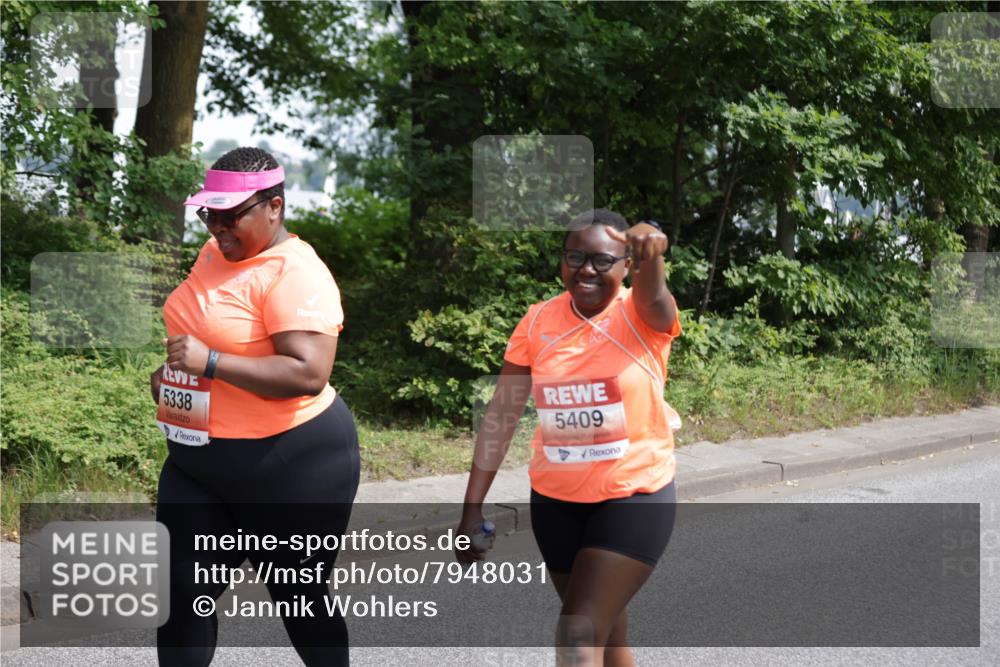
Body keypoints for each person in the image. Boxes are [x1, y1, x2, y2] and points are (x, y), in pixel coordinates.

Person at [151, 147, 359, 667]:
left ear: (274, 206)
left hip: (293, 465)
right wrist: (174, 377)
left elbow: (308, 373)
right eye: (210, 214)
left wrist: (210, 362)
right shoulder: (215, 252)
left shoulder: (296, 273)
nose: (218, 227)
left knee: (300, 601)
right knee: (179, 598)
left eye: (231, 215)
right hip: (197, 462)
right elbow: (204, 330)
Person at [456, 209, 681, 667]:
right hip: (556, 502)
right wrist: (472, 508)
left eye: (602, 260)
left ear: (625, 266)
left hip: (633, 496)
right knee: (607, 636)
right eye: (575, 256)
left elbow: (656, 296)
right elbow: (502, 413)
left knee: (577, 637)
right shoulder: (538, 321)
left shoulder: (639, 314)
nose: (586, 269)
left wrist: (651, 257)